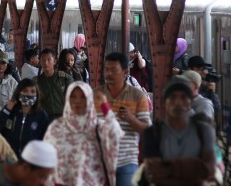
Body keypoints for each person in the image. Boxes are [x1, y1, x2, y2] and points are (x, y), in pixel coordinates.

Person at [44, 81, 123, 185]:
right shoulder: (56, 127)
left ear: (89, 100)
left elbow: (115, 133)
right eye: (73, 96)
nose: (77, 101)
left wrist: (105, 106)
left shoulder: (98, 126)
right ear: (67, 99)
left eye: (83, 97)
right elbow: (45, 161)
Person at [141, 79, 216, 185]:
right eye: (172, 97)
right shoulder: (152, 133)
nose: (178, 102)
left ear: (190, 102)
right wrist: (195, 168)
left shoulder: (203, 130)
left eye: (184, 97)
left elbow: (209, 170)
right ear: (165, 103)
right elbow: (155, 174)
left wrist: (167, 168)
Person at [95, 52, 151, 185]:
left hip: (127, 160)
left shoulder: (137, 96)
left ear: (125, 72)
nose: (108, 74)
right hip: (99, 160)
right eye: (106, 69)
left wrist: (131, 119)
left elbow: (147, 131)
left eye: (113, 70)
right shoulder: (95, 95)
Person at [0, 79, 49, 156]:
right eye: (25, 91)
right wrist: (7, 110)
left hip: (31, 159)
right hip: (9, 157)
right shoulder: (10, 110)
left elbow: (45, 141)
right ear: (18, 93)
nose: (29, 94)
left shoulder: (41, 115)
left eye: (32, 91)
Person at [36, 48, 74, 121]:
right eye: (43, 60)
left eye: (49, 60)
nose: (46, 63)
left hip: (63, 119)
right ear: (40, 62)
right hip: (44, 120)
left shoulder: (65, 79)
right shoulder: (37, 81)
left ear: (54, 61)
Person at [188, 55, 221, 120]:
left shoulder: (205, 84)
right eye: (198, 70)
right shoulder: (185, 83)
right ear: (190, 69)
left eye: (202, 69)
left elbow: (216, 108)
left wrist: (212, 92)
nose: (201, 73)